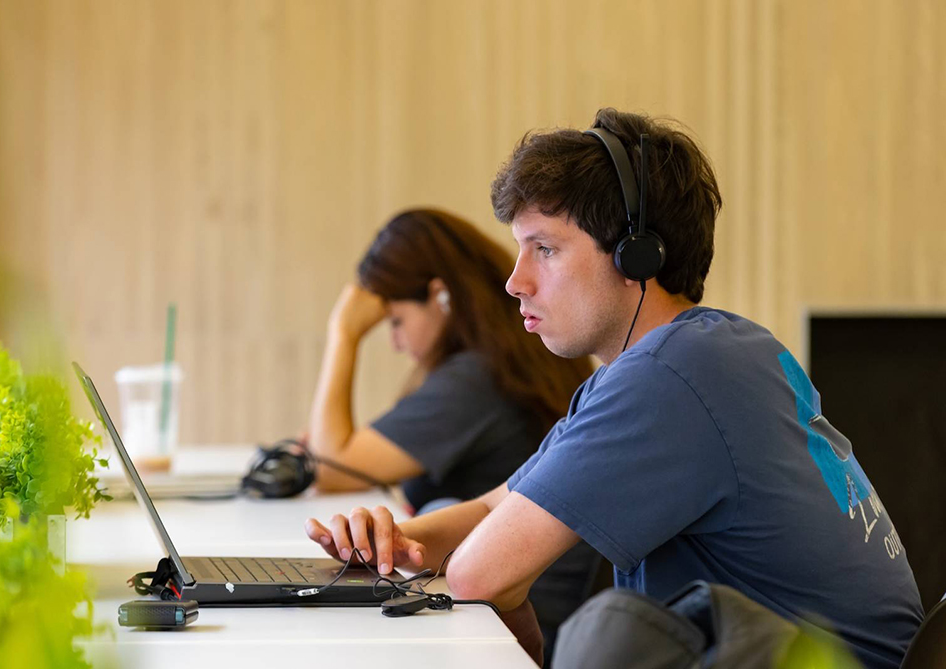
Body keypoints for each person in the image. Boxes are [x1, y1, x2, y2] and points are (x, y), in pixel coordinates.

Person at [303, 110, 924, 669]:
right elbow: (501, 508)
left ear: (636, 258)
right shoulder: (709, 351)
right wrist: (391, 544)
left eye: (543, 249)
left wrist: (491, 579)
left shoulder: (671, 376)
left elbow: (478, 576)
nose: (515, 282)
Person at [305, 208, 600, 663]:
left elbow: (333, 468)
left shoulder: (478, 379)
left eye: (397, 321)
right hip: (513, 606)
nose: (396, 343)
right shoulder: (502, 364)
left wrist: (342, 334)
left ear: (440, 296)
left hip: (516, 624)